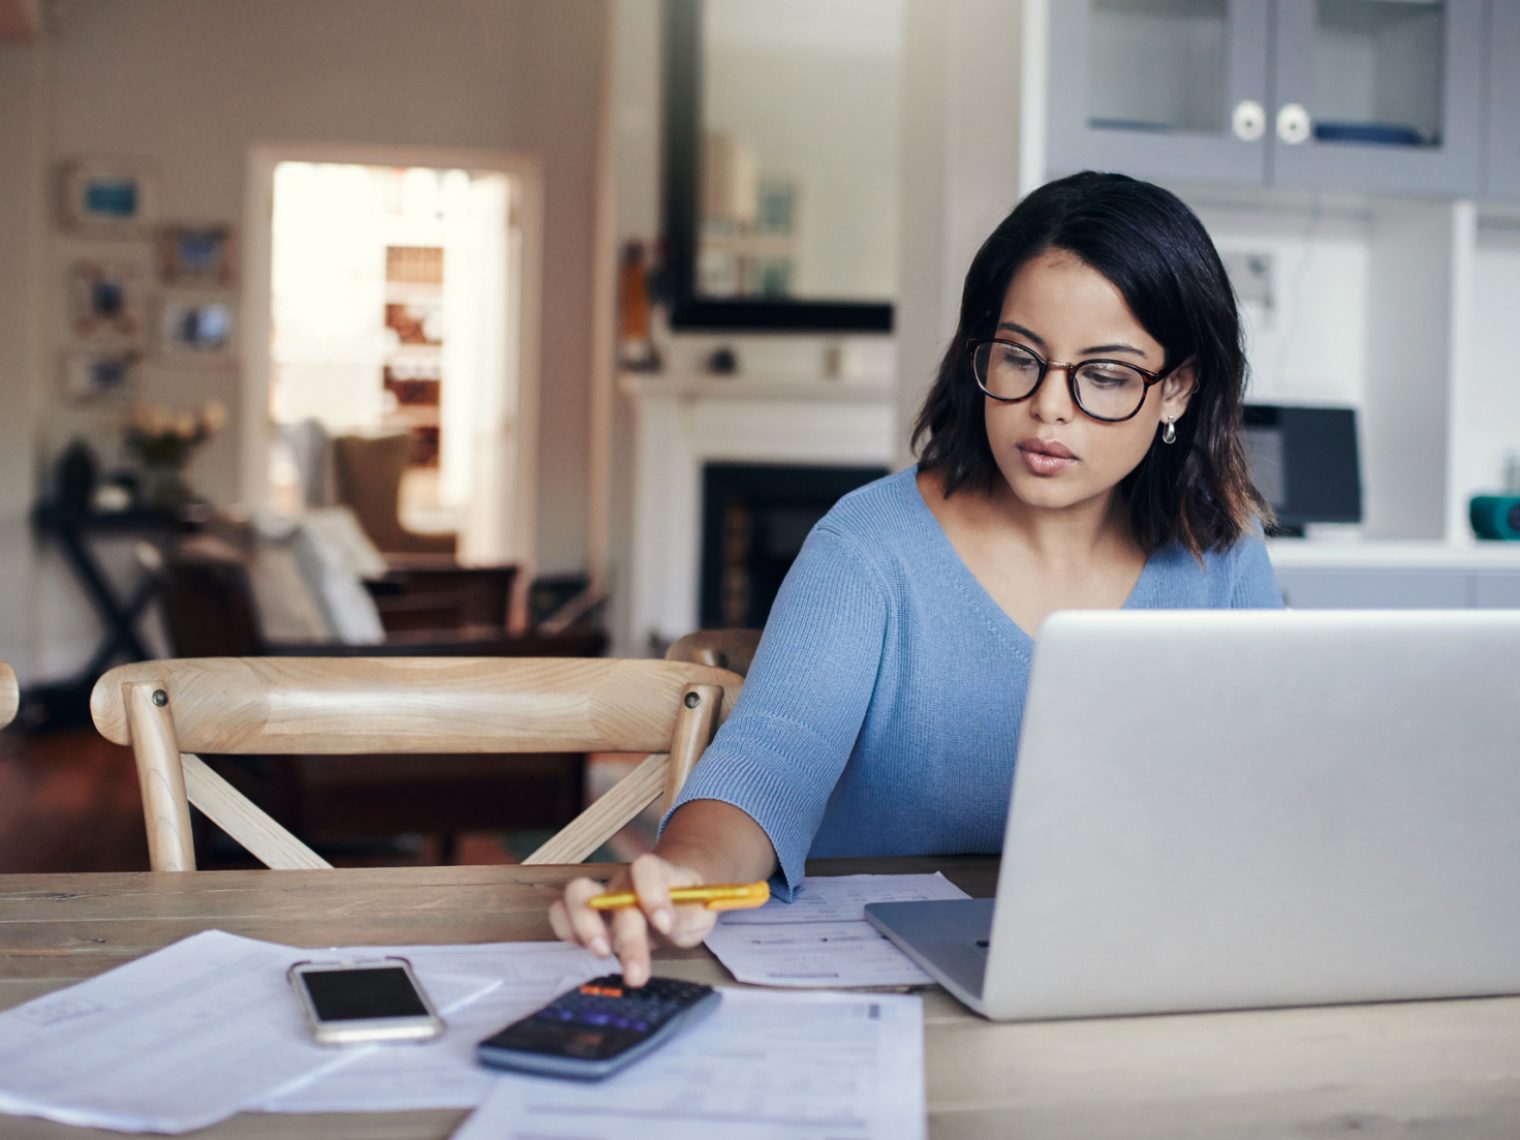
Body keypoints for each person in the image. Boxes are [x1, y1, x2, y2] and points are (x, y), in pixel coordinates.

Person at [550, 171, 1283, 984]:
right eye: (1020, 359)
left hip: (1131, 971)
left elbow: (1273, 790)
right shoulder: (866, 548)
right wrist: (684, 874)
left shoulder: (1222, 552)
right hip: (881, 985)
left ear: (1177, 388)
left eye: (1105, 375)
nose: (1049, 408)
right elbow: (769, 763)